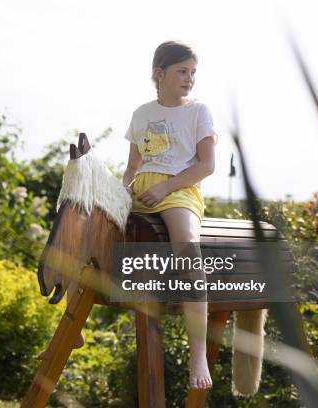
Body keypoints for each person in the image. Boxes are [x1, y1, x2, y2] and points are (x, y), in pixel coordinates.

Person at [122, 40, 218, 390]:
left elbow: (206, 166)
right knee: (88, 225)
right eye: (182, 71)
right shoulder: (141, 114)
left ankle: (198, 355)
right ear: (158, 73)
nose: (189, 78)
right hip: (142, 191)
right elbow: (132, 165)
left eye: (193, 72)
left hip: (179, 192)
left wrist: (165, 189)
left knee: (188, 250)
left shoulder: (198, 111)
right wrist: (121, 194)